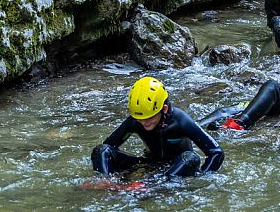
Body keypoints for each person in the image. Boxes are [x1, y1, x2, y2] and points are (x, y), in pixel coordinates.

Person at [91, 76, 224, 177]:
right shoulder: (134, 121)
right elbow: (109, 146)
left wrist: (202, 176)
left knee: (191, 158)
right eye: (140, 119)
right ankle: (106, 185)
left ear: (164, 109)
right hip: (148, 164)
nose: (144, 123)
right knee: (102, 150)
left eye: (149, 118)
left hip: (177, 168)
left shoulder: (181, 120)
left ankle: (156, 188)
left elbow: (216, 153)